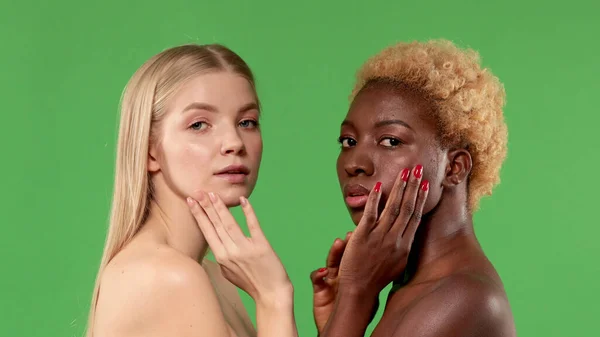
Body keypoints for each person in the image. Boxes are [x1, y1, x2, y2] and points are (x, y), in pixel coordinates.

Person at [196, 39, 517, 337]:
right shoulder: (414, 285)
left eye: (390, 141)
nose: (355, 163)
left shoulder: (460, 296)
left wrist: (355, 294)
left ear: (454, 167)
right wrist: (339, 320)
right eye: (348, 141)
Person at [87, 43, 298, 337]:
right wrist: (274, 298)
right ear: (149, 152)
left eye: (246, 122)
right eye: (199, 124)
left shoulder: (214, 276)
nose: (234, 142)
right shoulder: (168, 277)